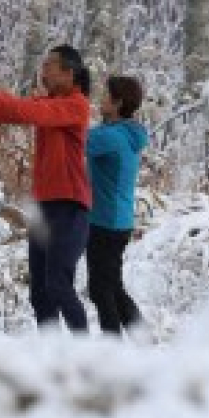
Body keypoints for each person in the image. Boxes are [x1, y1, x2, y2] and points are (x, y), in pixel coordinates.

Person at [0, 45, 92, 332]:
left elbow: (28, 111)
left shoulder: (76, 105)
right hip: (44, 209)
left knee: (58, 284)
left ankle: (86, 353)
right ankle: (52, 354)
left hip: (70, 207)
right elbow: (13, 111)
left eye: (49, 65)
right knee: (40, 293)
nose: (43, 70)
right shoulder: (49, 103)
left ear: (69, 73)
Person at [86, 75, 148, 335]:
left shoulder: (111, 137)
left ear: (118, 103)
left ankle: (114, 348)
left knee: (101, 290)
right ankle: (142, 336)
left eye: (105, 95)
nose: (100, 100)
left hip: (105, 222)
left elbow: (76, 141)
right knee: (111, 286)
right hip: (118, 220)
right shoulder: (128, 134)